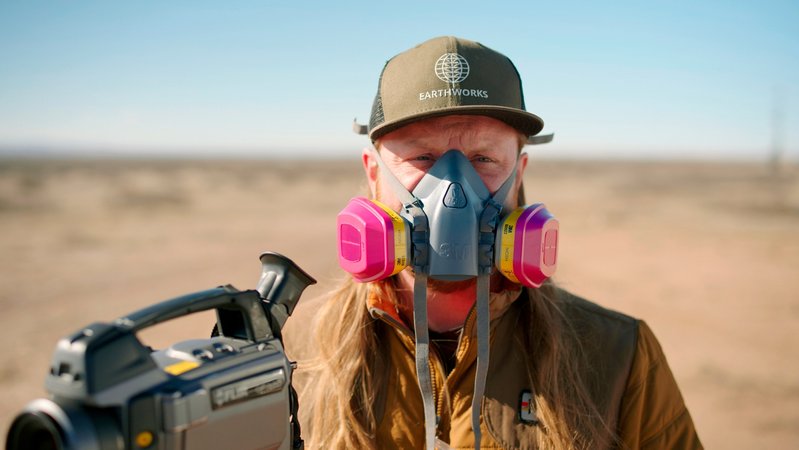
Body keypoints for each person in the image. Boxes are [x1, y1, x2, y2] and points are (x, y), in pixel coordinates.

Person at [300, 36, 702, 449]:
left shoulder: (618, 357)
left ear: (520, 172)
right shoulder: (303, 357)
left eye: (484, 159)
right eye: (422, 158)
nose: (454, 189)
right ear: (373, 172)